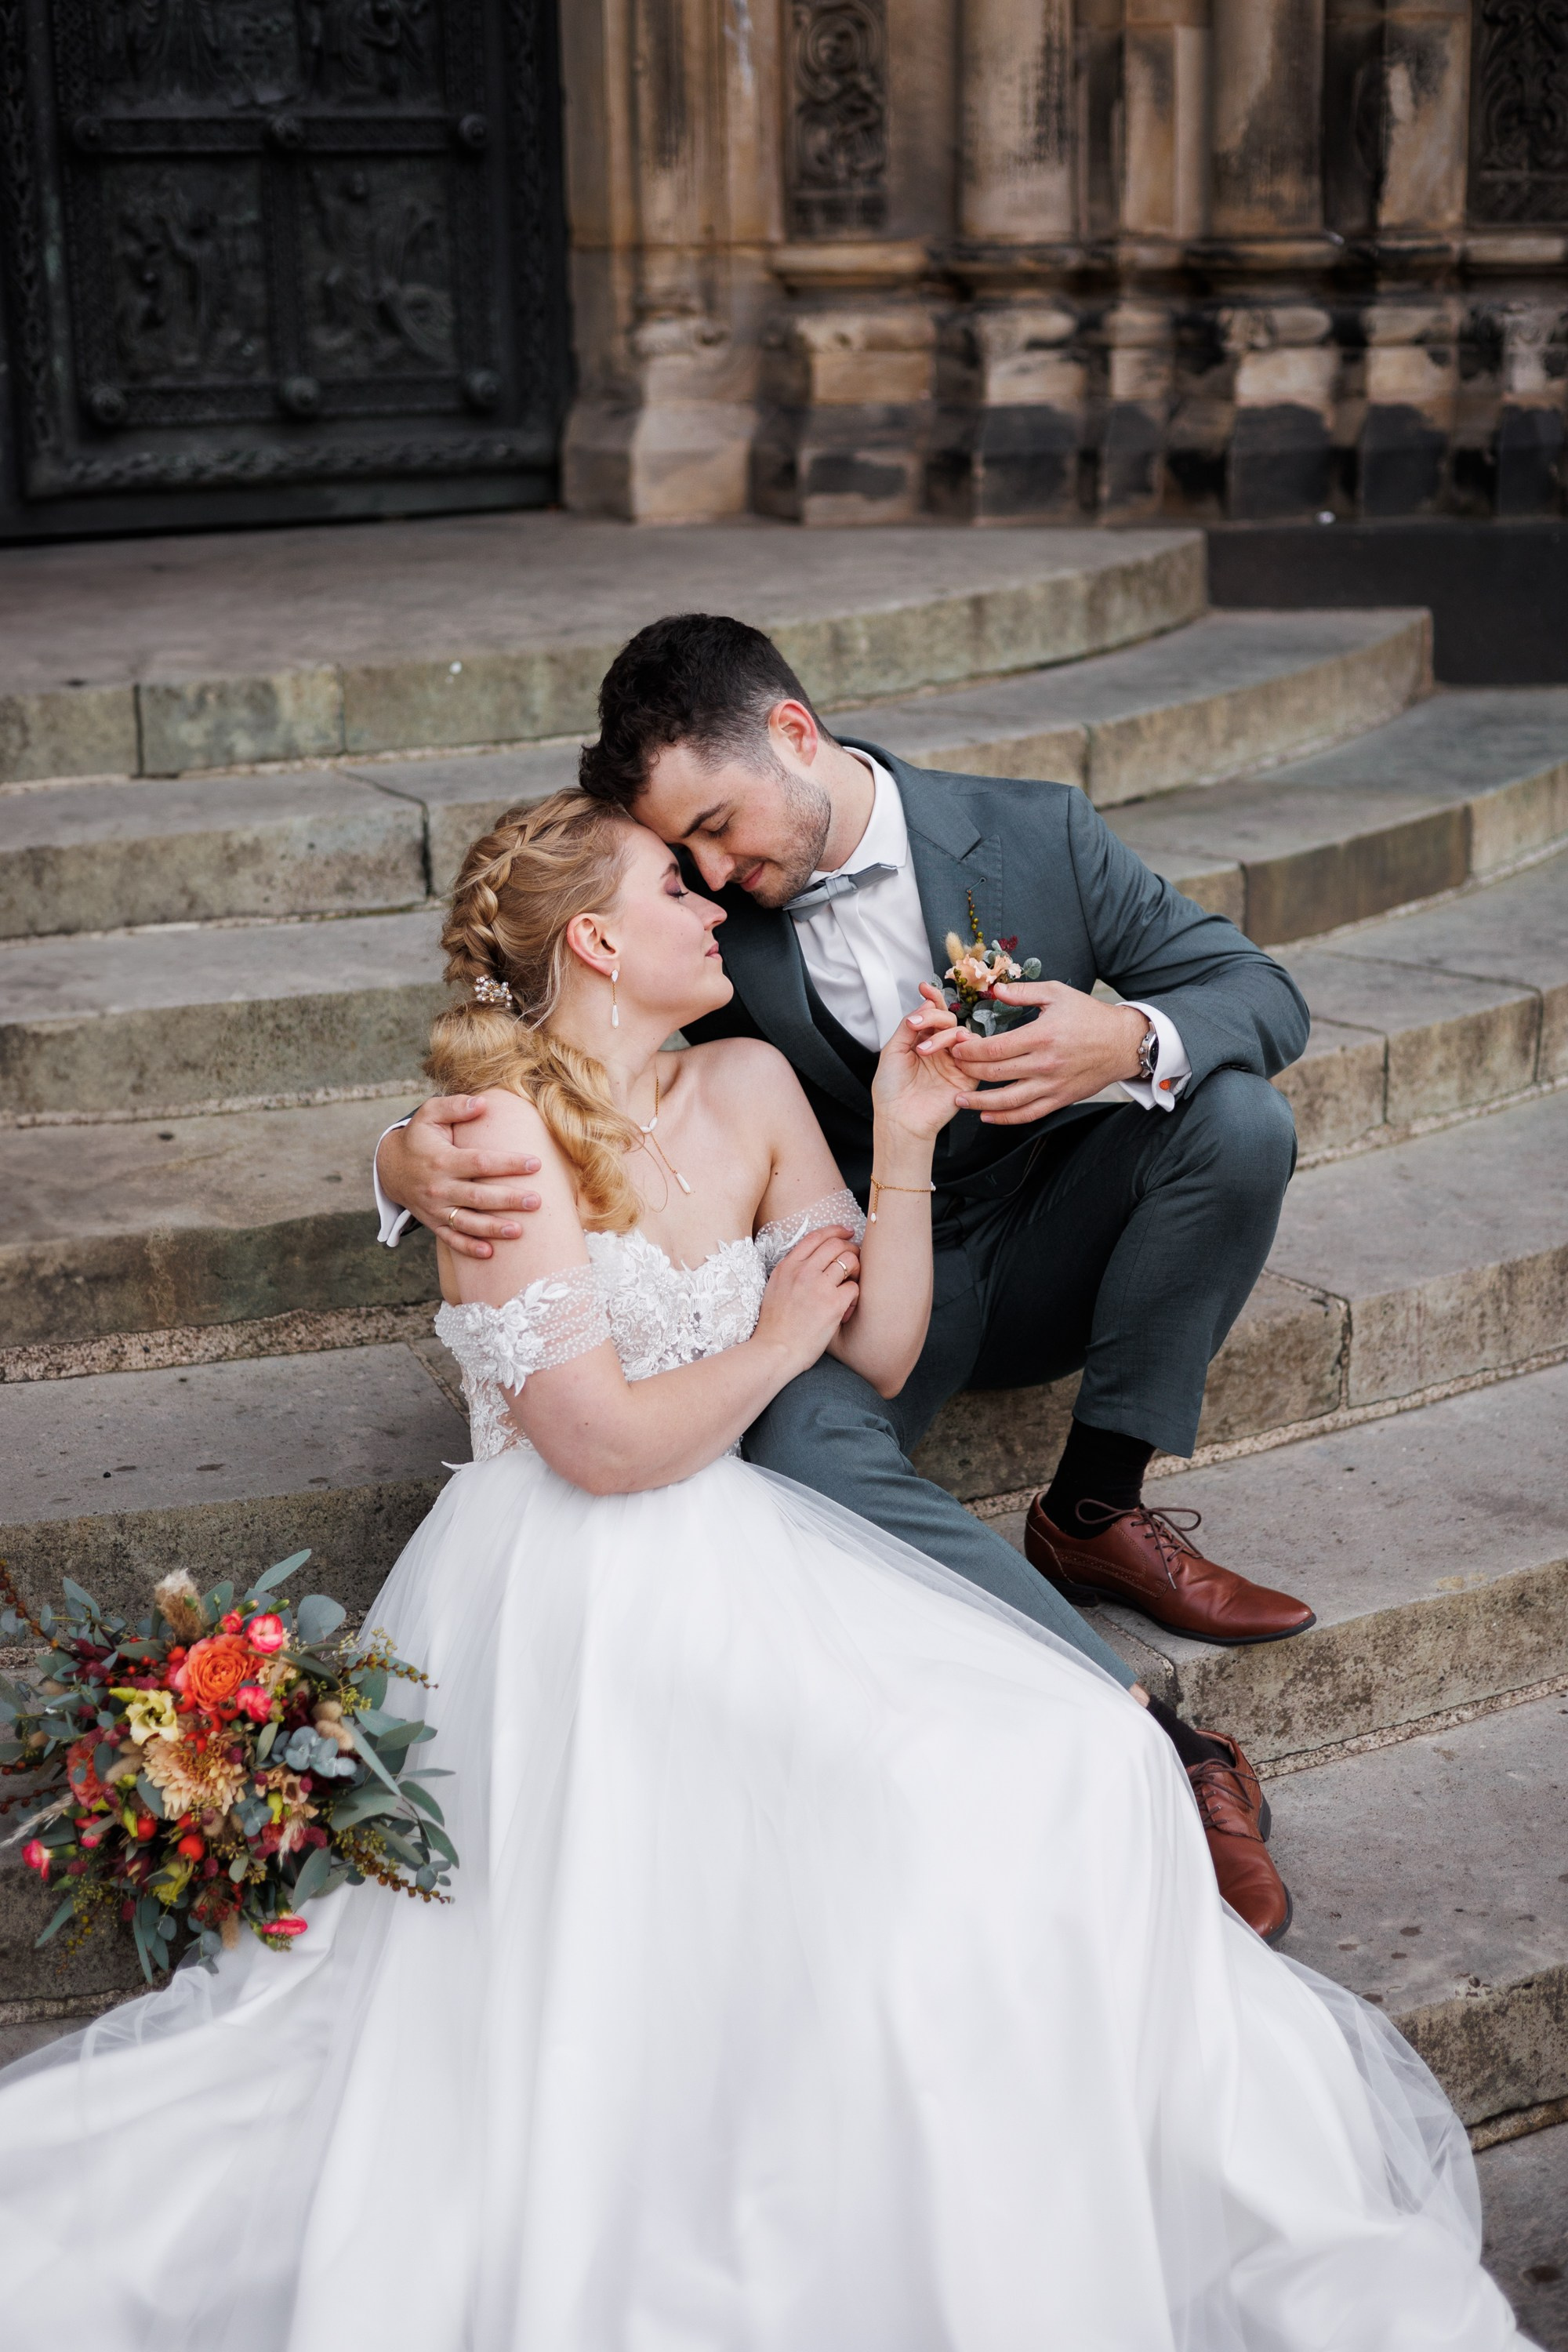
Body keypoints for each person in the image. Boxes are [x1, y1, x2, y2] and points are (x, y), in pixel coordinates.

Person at [0, 791, 1524, 2349]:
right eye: (680, 886)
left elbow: (868, 1351)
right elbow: (594, 1442)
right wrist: (775, 1332)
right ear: (596, 935)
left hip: (736, 1537)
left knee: (1070, 1747)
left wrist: (909, 1144)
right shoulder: (487, 1139)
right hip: (570, 1584)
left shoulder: (746, 1086)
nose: (718, 907)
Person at [377, 613, 1316, 1938]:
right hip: (864, 1265)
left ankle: (1095, 1506)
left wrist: (1125, 1036)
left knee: (1238, 1122)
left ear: (795, 737)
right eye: (683, 859)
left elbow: (1261, 992)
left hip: (1036, 1233)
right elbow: (542, 1042)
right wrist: (406, 1157)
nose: (714, 875)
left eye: (715, 826)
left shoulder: (1037, 831)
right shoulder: (705, 941)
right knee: (805, 1430)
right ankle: (1153, 1739)